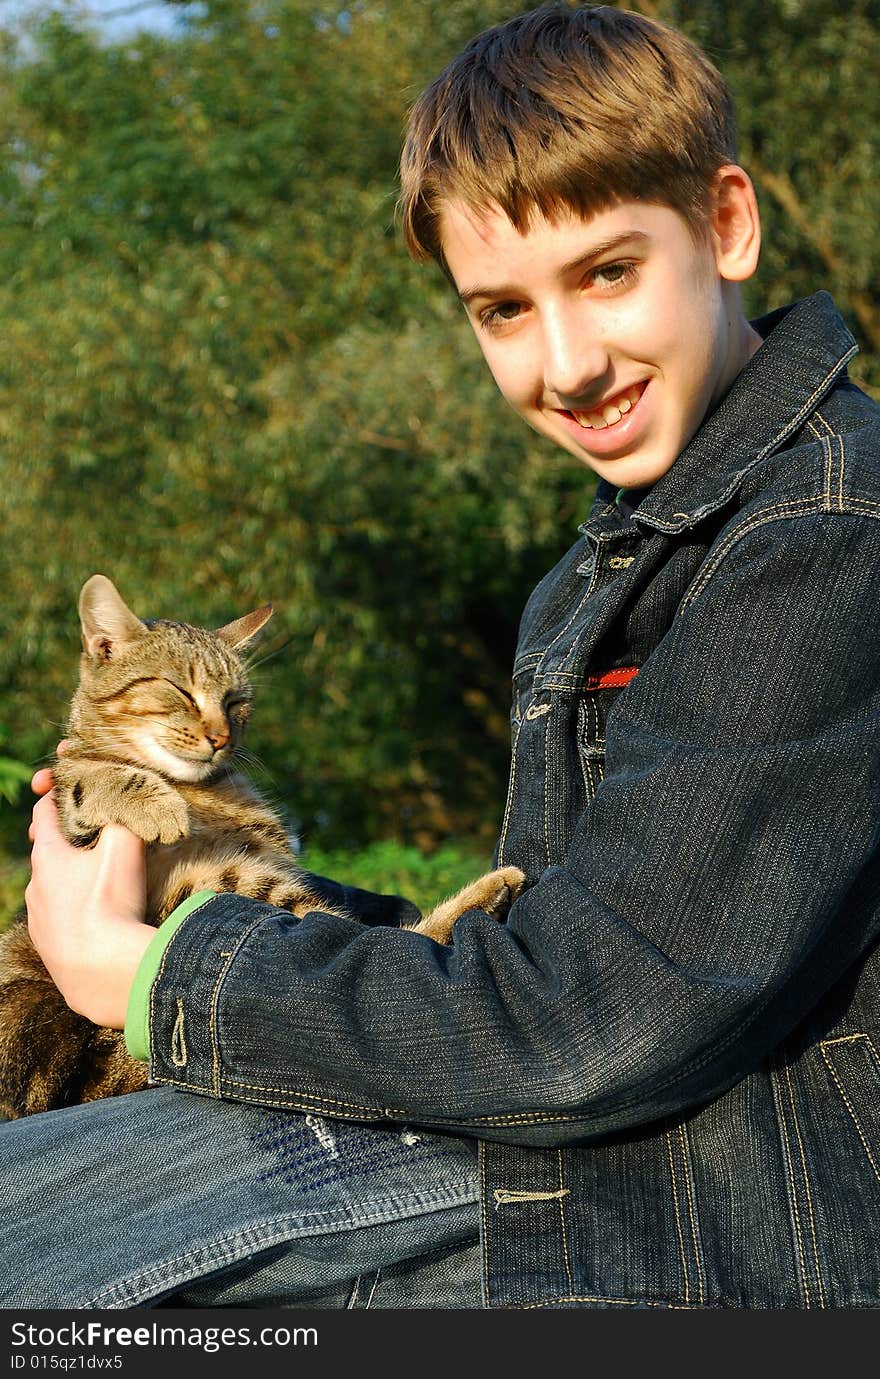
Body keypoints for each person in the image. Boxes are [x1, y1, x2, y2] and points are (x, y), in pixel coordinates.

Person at [4, 2, 880, 1310]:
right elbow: (551, 949)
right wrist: (223, 893)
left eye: (607, 273)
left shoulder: (822, 532)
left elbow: (591, 1022)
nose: (568, 363)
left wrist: (155, 973)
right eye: (500, 312)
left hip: (695, 1227)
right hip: (580, 1152)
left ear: (730, 225)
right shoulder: (609, 562)